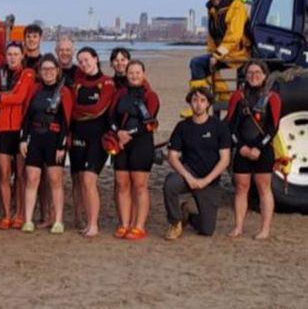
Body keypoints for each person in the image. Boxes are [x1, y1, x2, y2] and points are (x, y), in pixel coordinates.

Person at [164, 87, 231, 239]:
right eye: (195, 100)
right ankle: (175, 222)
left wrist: (205, 181)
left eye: (202, 100)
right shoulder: (183, 127)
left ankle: (188, 214)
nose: (198, 104)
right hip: (189, 173)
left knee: (207, 230)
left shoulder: (219, 127)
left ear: (208, 104)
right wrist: (188, 178)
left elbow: (225, 159)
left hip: (209, 179)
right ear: (190, 103)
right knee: (170, 183)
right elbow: (172, 156)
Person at [225, 60, 280, 239]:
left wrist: (258, 147)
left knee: (264, 188)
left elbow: (273, 128)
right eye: (250, 73)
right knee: (241, 188)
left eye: (258, 72)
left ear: (265, 75)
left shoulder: (272, 98)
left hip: (263, 150)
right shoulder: (237, 97)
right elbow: (231, 125)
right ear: (245, 75)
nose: (254, 76)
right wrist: (240, 147)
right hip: (242, 150)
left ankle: (264, 229)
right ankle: (238, 227)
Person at [20, 54, 73, 234]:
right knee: (32, 179)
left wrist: (61, 146)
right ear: (40, 72)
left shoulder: (64, 92)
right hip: (35, 137)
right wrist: (23, 139)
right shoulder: (35, 90)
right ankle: (28, 220)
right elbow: (27, 116)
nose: (48, 73)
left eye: (51, 69)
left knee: (55, 180)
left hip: (55, 139)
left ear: (57, 71)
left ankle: (58, 220)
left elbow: (67, 121)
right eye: (44, 70)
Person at [109, 60, 160, 240]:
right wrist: (118, 133)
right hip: (121, 144)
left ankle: (139, 225)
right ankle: (124, 223)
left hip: (142, 143)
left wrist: (128, 134)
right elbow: (112, 117)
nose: (134, 76)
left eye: (138, 73)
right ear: (126, 74)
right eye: (131, 73)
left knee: (139, 185)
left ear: (144, 74)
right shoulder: (120, 94)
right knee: (122, 184)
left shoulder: (150, 96)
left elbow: (149, 122)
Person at [70, 47, 115, 237]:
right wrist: (78, 111)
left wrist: (78, 110)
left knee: (89, 179)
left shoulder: (106, 83)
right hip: (78, 137)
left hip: (98, 139)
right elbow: (69, 108)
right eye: (80, 61)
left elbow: (98, 108)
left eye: (87, 60)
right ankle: (84, 220)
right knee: (80, 181)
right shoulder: (77, 83)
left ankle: (93, 224)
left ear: (96, 59)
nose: (84, 64)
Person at [0, 42, 35, 229]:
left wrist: (2, 96)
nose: (12, 57)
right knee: (4, 174)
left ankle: (20, 213)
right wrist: (5, 97)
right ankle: (7, 213)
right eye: (9, 54)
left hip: (20, 127)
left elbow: (20, 97)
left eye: (16, 54)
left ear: (22, 55)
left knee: (22, 175)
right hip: (2, 128)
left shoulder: (28, 74)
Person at [189, 0, 250, 91]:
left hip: (239, 54)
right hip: (224, 54)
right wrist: (212, 54)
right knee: (198, 63)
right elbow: (212, 37)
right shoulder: (213, 10)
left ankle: (202, 96)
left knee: (197, 63)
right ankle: (207, 97)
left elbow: (234, 36)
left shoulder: (236, 6)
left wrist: (216, 55)